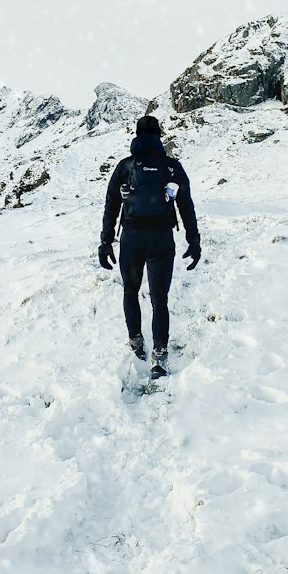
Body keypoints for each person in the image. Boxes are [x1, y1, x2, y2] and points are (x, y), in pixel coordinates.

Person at [98, 114, 201, 377]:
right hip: (161, 239)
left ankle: (136, 342)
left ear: (136, 135)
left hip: (132, 239)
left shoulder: (126, 166)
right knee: (160, 299)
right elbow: (185, 205)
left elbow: (111, 205)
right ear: (159, 136)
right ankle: (159, 356)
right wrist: (193, 240)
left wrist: (106, 242)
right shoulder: (171, 167)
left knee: (130, 292)